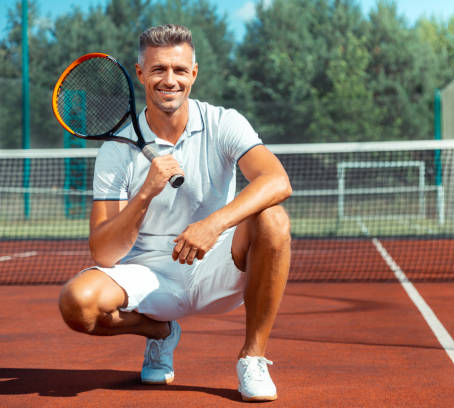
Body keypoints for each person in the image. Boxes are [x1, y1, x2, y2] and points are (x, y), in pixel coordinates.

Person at [57, 24, 292, 402]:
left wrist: (213, 224)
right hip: (149, 276)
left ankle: (253, 357)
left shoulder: (223, 123)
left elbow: (277, 180)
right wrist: (145, 193)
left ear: (194, 74)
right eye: (159, 69)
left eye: (180, 70)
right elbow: (103, 252)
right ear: (140, 74)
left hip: (216, 265)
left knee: (274, 218)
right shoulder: (116, 153)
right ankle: (160, 332)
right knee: (76, 303)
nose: (170, 80)